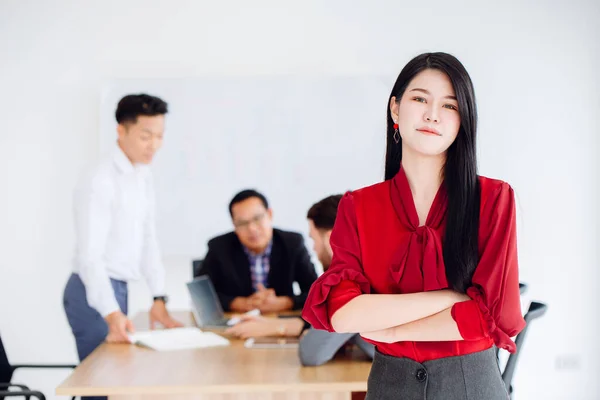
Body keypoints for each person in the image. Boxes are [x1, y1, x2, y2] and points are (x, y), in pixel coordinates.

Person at [302, 52, 526, 399]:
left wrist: (391, 331)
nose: (432, 114)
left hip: (470, 386)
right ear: (395, 109)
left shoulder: (494, 198)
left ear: (462, 120)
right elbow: (343, 314)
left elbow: (491, 317)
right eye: (420, 98)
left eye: (449, 106)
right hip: (390, 385)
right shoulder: (358, 206)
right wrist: (452, 297)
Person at [63, 94, 182, 400]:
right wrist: (111, 313)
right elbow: (91, 258)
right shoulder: (99, 179)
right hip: (91, 293)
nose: (153, 145)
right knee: (101, 388)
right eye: (146, 136)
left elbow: (148, 239)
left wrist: (158, 296)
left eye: (159, 136)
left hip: (117, 289)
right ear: (121, 130)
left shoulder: (142, 175)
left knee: (118, 383)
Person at [225, 195, 375, 366]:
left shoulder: (351, 283)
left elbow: (311, 353)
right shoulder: (372, 271)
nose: (314, 248)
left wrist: (280, 327)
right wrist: (279, 325)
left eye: (313, 239)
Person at [201, 189, 318, 313]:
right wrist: (238, 303)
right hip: (236, 321)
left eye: (257, 218)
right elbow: (201, 294)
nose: (251, 228)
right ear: (234, 225)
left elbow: (316, 292)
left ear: (270, 214)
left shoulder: (292, 243)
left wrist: (285, 302)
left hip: (280, 321)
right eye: (242, 223)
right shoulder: (219, 247)